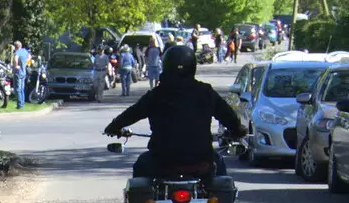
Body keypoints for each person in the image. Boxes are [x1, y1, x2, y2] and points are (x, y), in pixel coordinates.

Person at [102, 44, 246, 180]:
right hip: (201, 160)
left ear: (166, 66)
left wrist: (113, 127)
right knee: (220, 173)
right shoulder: (205, 92)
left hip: (162, 161)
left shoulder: (157, 95)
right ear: (193, 67)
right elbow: (228, 116)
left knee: (140, 168)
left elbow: (131, 114)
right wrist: (238, 130)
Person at [12, 40, 31, 108]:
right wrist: (25, 62)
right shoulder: (24, 51)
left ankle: (19, 105)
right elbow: (29, 57)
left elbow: (15, 59)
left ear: (15, 47)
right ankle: (22, 104)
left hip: (18, 73)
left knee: (17, 89)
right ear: (21, 45)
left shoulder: (17, 52)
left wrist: (15, 66)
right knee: (22, 89)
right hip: (24, 73)